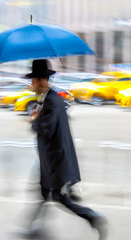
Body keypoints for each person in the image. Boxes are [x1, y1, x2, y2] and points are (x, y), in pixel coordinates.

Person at [22, 59, 108, 239]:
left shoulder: (52, 101)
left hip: (56, 161)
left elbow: (46, 129)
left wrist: (33, 120)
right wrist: (38, 115)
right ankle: (35, 227)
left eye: (33, 80)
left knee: (59, 197)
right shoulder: (47, 99)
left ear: (42, 81)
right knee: (44, 192)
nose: (31, 84)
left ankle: (92, 217)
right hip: (50, 159)